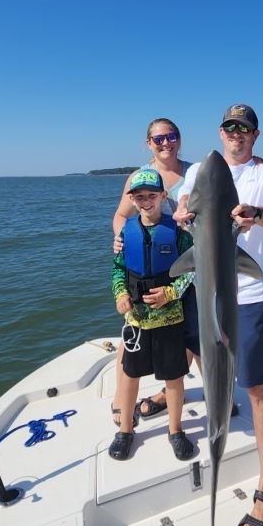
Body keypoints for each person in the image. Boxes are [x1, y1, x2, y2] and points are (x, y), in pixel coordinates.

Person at [175, 103, 263, 526]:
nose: (236, 134)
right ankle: (217, 420)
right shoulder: (205, 170)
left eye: (244, 129)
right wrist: (184, 210)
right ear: (221, 132)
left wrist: (256, 215)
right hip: (202, 288)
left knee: (256, 386)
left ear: (255, 135)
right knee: (206, 365)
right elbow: (186, 201)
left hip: (249, 294)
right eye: (229, 127)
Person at [110, 118, 198, 423]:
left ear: (179, 138)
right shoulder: (139, 178)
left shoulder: (195, 173)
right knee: (132, 336)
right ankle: (122, 404)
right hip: (151, 270)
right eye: (158, 138)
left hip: (190, 265)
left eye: (171, 136)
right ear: (149, 143)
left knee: (194, 334)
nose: (165, 143)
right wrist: (123, 242)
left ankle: (208, 394)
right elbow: (121, 216)